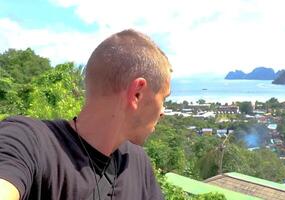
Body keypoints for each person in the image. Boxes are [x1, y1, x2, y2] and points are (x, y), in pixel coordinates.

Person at [0, 29, 172, 200]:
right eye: (164, 98)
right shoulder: (27, 141)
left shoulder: (137, 163)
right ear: (137, 94)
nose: (163, 111)